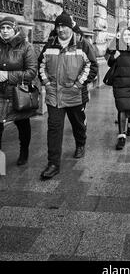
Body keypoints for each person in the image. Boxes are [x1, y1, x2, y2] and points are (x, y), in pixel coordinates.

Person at [38, 11, 98, 180]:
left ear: (71, 27)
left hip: (75, 95)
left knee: (77, 123)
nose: (61, 29)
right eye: (58, 26)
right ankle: (53, 164)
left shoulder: (82, 44)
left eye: (64, 25)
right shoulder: (50, 44)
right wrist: (47, 84)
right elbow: (41, 65)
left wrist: (78, 85)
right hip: (54, 96)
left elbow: (92, 67)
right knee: (54, 129)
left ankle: (80, 143)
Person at [0, 16, 38, 166]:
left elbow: (31, 72)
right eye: (2, 28)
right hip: (0, 94)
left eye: (8, 28)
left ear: (15, 29)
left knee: (22, 125)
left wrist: (8, 76)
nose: (5, 31)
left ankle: (24, 152)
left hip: (17, 94)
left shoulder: (26, 47)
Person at [105, 24, 130, 150]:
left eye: (128, 35)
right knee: (122, 107)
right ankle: (121, 136)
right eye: (124, 35)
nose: (126, 37)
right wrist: (115, 55)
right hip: (120, 83)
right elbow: (109, 63)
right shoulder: (118, 48)